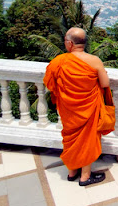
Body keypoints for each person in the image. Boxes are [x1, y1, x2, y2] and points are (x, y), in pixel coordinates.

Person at [43, 27, 110, 186]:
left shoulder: (59, 61)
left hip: (68, 109)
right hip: (88, 108)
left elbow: (49, 84)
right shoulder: (94, 60)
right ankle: (85, 176)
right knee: (87, 139)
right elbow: (105, 83)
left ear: (70, 43)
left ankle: (72, 172)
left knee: (70, 139)